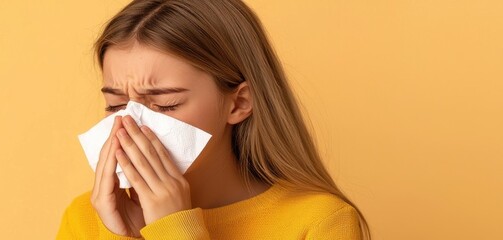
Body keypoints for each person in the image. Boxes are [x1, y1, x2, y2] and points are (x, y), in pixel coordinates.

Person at [56, 0, 371, 239]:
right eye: (116, 105)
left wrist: (175, 230)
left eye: (166, 105)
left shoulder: (320, 222)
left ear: (239, 102)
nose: (133, 125)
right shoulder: (86, 217)